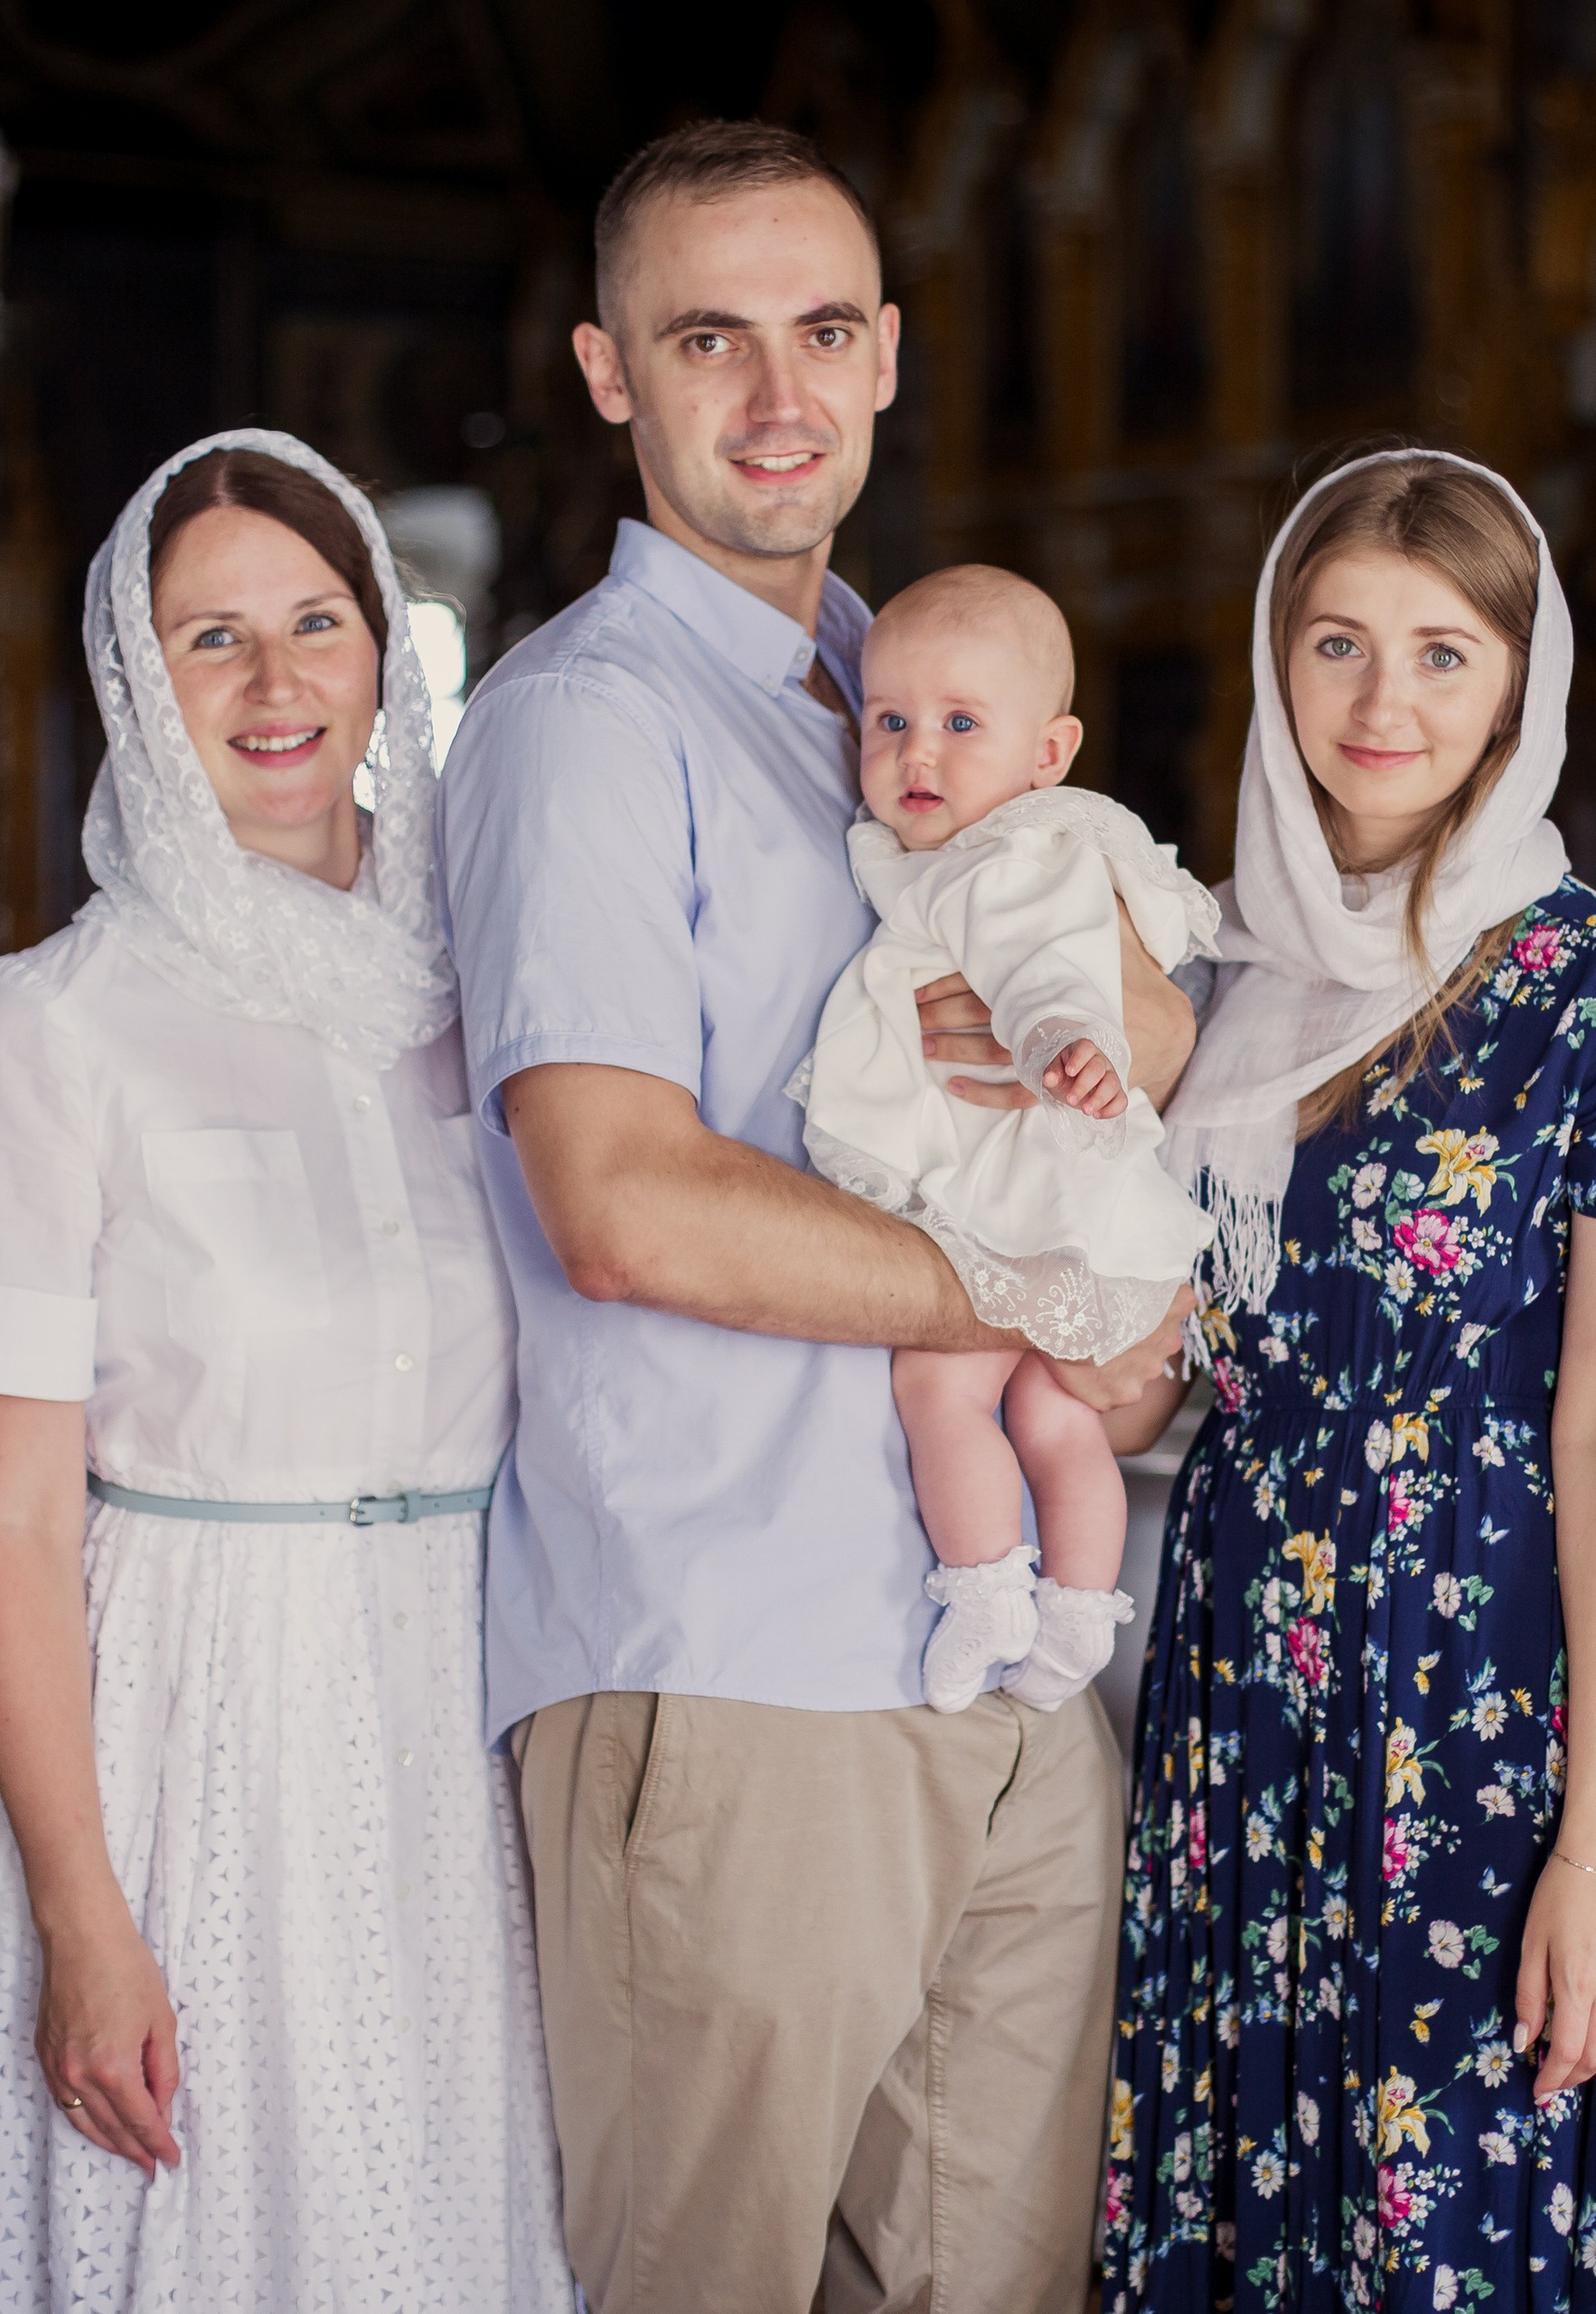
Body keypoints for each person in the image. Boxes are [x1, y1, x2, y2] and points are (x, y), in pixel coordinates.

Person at [435, 123, 1195, 2314]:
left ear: (886, 354)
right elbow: (621, 1204)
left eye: (823, 331)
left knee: (996, 2281)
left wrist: (1107, 1261)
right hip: (729, 1659)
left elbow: (1137, 1011)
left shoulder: (902, 689)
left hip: (1001, 1655)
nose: (777, 395)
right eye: (708, 337)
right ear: (608, 372)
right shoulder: (583, 725)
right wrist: (1038, 1287)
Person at [1099, 449, 1596, 2312]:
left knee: (1472, 2215)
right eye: (1336, 643)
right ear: (1272, 664)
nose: (1383, 702)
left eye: (1442, 653)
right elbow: (1147, 1379)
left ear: (1516, 684)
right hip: (1236, 1702)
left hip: (1487, 1716)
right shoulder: (1198, 981)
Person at [0, 434, 566, 2306]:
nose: (274, 680)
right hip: (200, 1711)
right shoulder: (60, 1024)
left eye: (317, 621)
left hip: (463, 1709)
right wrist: (85, 1915)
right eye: (209, 637)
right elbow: (16, 1516)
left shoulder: (494, 991)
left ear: (384, 650)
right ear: (134, 686)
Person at [793, 565, 1220, 1713]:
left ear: (1049, 751)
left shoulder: (1009, 856)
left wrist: (1063, 1041)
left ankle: (983, 1586)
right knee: (1048, 1410)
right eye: (891, 722)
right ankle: (1078, 1613)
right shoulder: (992, 844)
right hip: (1057, 1193)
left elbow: (1044, 975)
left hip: (1024, 1196)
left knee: (940, 1384)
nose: (916, 755)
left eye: (960, 724)